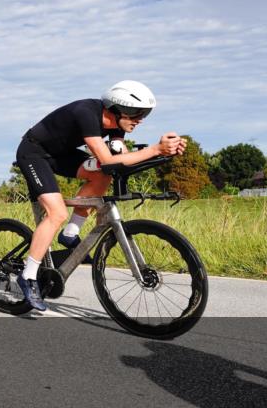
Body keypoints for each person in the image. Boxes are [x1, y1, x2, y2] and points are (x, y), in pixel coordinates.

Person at [14, 81, 186, 311]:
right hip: (33, 152)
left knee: (102, 177)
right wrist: (154, 149)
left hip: (61, 155)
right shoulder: (86, 113)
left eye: (145, 114)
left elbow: (120, 159)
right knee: (56, 213)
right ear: (114, 109)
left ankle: (70, 233)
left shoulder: (118, 126)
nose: (140, 119)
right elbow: (106, 159)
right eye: (136, 113)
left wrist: (165, 154)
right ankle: (28, 276)